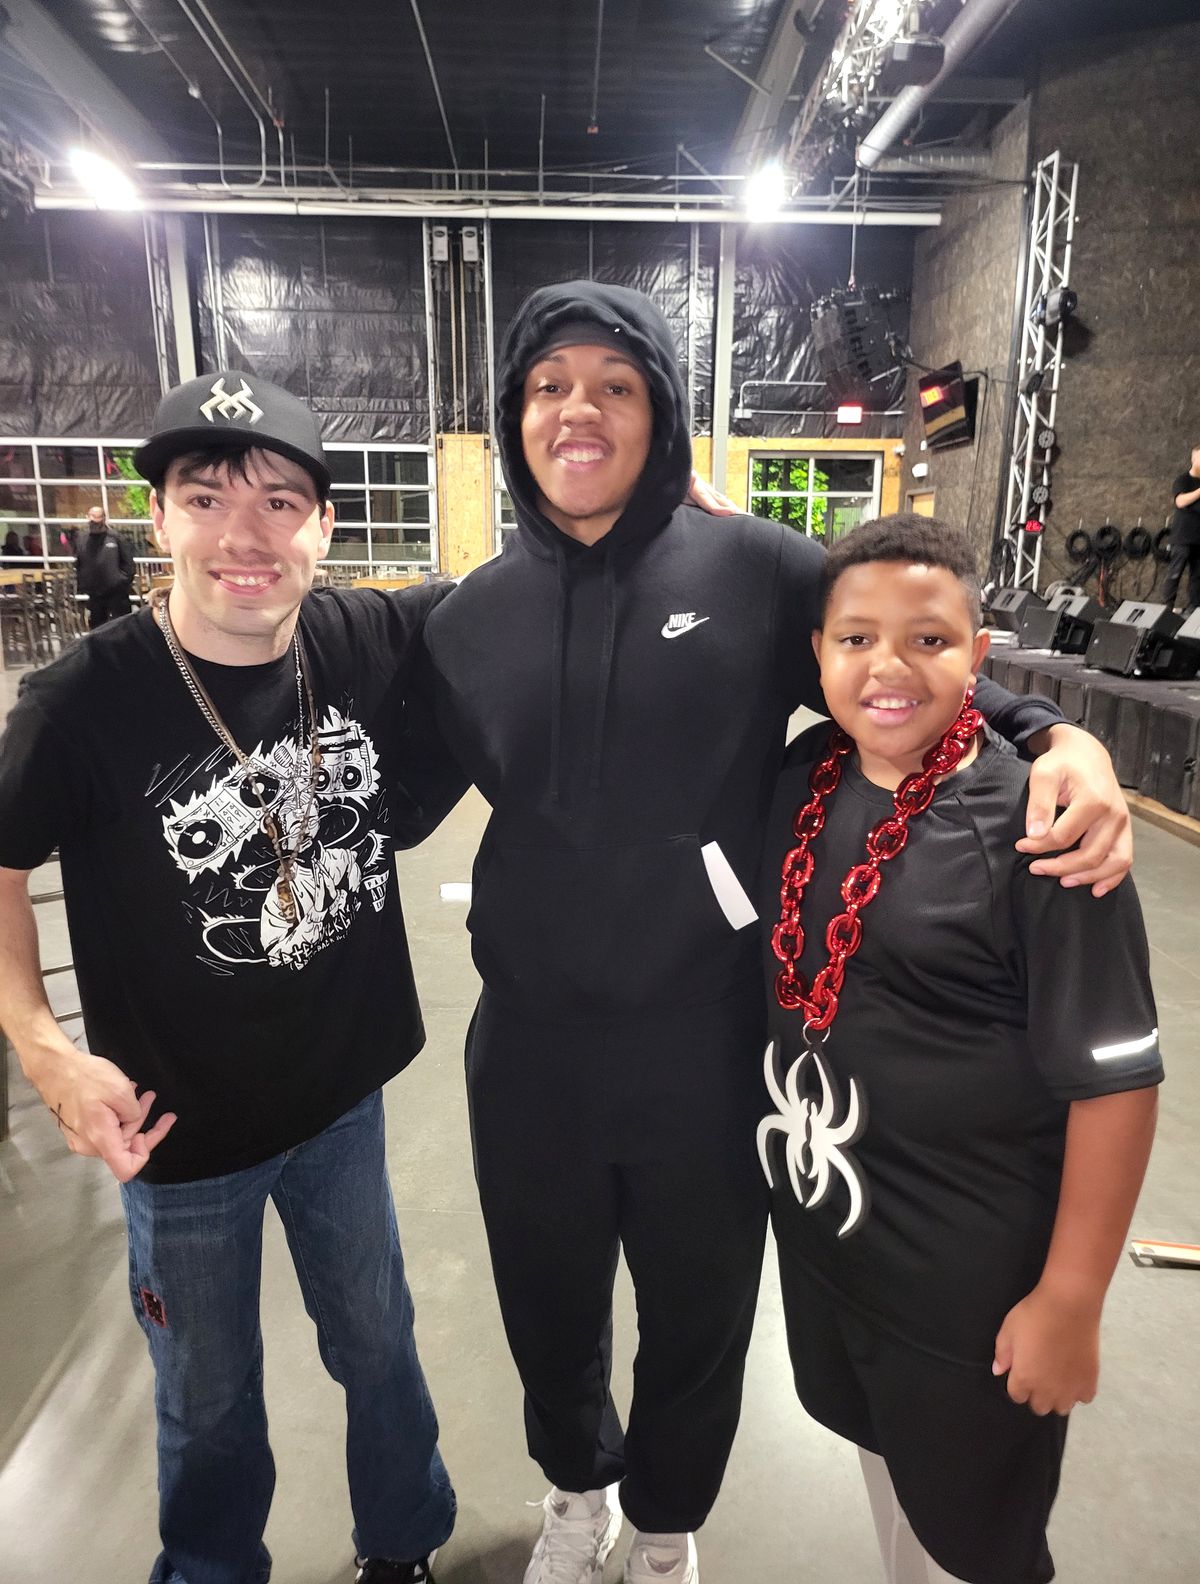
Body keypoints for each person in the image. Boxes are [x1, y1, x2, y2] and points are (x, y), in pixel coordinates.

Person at [422, 280, 1135, 1584]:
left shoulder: (754, 570)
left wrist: (1056, 735)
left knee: (699, 1311)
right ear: (512, 415)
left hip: (705, 1037)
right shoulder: (468, 618)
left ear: (661, 411)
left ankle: (665, 1524)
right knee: (545, 1301)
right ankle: (576, 1491)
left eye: (615, 386)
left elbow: (903, 655)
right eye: (548, 386)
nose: (580, 410)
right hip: (527, 1047)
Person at [0, 372, 464, 1584]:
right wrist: (45, 1050)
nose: (244, 535)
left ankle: (404, 1543)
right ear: (158, 518)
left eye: (279, 501)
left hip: (341, 1100)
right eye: (206, 498)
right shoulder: (81, 703)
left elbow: (532, 587)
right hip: (176, 1130)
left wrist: (667, 513)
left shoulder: (354, 635)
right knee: (205, 1400)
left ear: (324, 525)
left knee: (380, 1344)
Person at [759, 516, 1161, 1584]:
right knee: (897, 1497)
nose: (888, 666)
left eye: (929, 640)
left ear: (979, 656)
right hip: (835, 1250)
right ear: (818, 655)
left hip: (969, 1291)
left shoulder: (1045, 828)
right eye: (857, 639)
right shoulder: (803, 777)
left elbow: (1116, 1084)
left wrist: (1071, 1297)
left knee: (979, 1546)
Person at [73, 503, 135, 627]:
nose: (95, 525)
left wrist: (122, 581)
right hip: (95, 594)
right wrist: (85, 584)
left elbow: (128, 563)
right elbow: (79, 563)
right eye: (93, 521)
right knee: (97, 629)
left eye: (98, 521)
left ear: (104, 519)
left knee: (122, 627)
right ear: (87, 518)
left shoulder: (116, 537)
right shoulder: (82, 539)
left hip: (117, 593)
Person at [1164, 445, 1200, 614]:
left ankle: (1195, 609)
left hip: (1199, 539)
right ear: (1193, 459)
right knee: (1175, 573)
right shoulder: (1183, 480)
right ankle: (1167, 608)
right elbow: (1180, 502)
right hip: (1182, 537)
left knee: (1197, 577)